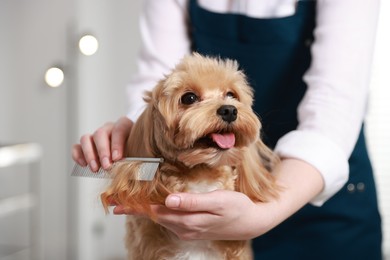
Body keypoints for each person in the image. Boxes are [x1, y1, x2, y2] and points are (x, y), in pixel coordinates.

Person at [72, 0, 382, 259]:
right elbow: (160, 77)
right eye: (192, 98)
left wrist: (264, 213)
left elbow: (334, 103)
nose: (226, 109)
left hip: (326, 210)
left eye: (231, 96)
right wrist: (133, 135)